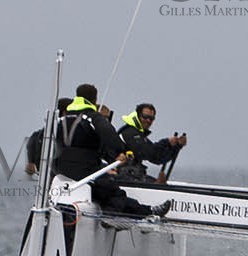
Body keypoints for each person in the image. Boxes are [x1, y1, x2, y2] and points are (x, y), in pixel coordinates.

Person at [54, 84, 171, 218]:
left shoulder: (61, 120)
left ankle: (149, 210)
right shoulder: (92, 117)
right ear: (94, 99)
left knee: (106, 193)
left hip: (61, 173)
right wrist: (120, 152)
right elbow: (110, 137)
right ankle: (110, 217)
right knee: (115, 193)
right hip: (85, 172)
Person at [116, 103, 187, 181]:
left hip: (133, 174)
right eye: (145, 117)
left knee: (159, 183)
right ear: (137, 116)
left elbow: (157, 158)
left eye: (151, 118)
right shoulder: (129, 132)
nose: (148, 120)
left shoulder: (140, 136)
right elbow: (146, 152)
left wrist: (176, 146)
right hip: (121, 175)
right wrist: (166, 142)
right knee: (156, 183)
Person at [25, 98, 72, 177]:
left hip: (47, 177)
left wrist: (31, 161)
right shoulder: (62, 132)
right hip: (60, 176)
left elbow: (31, 142)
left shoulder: (42, 133)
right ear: (64, 113)